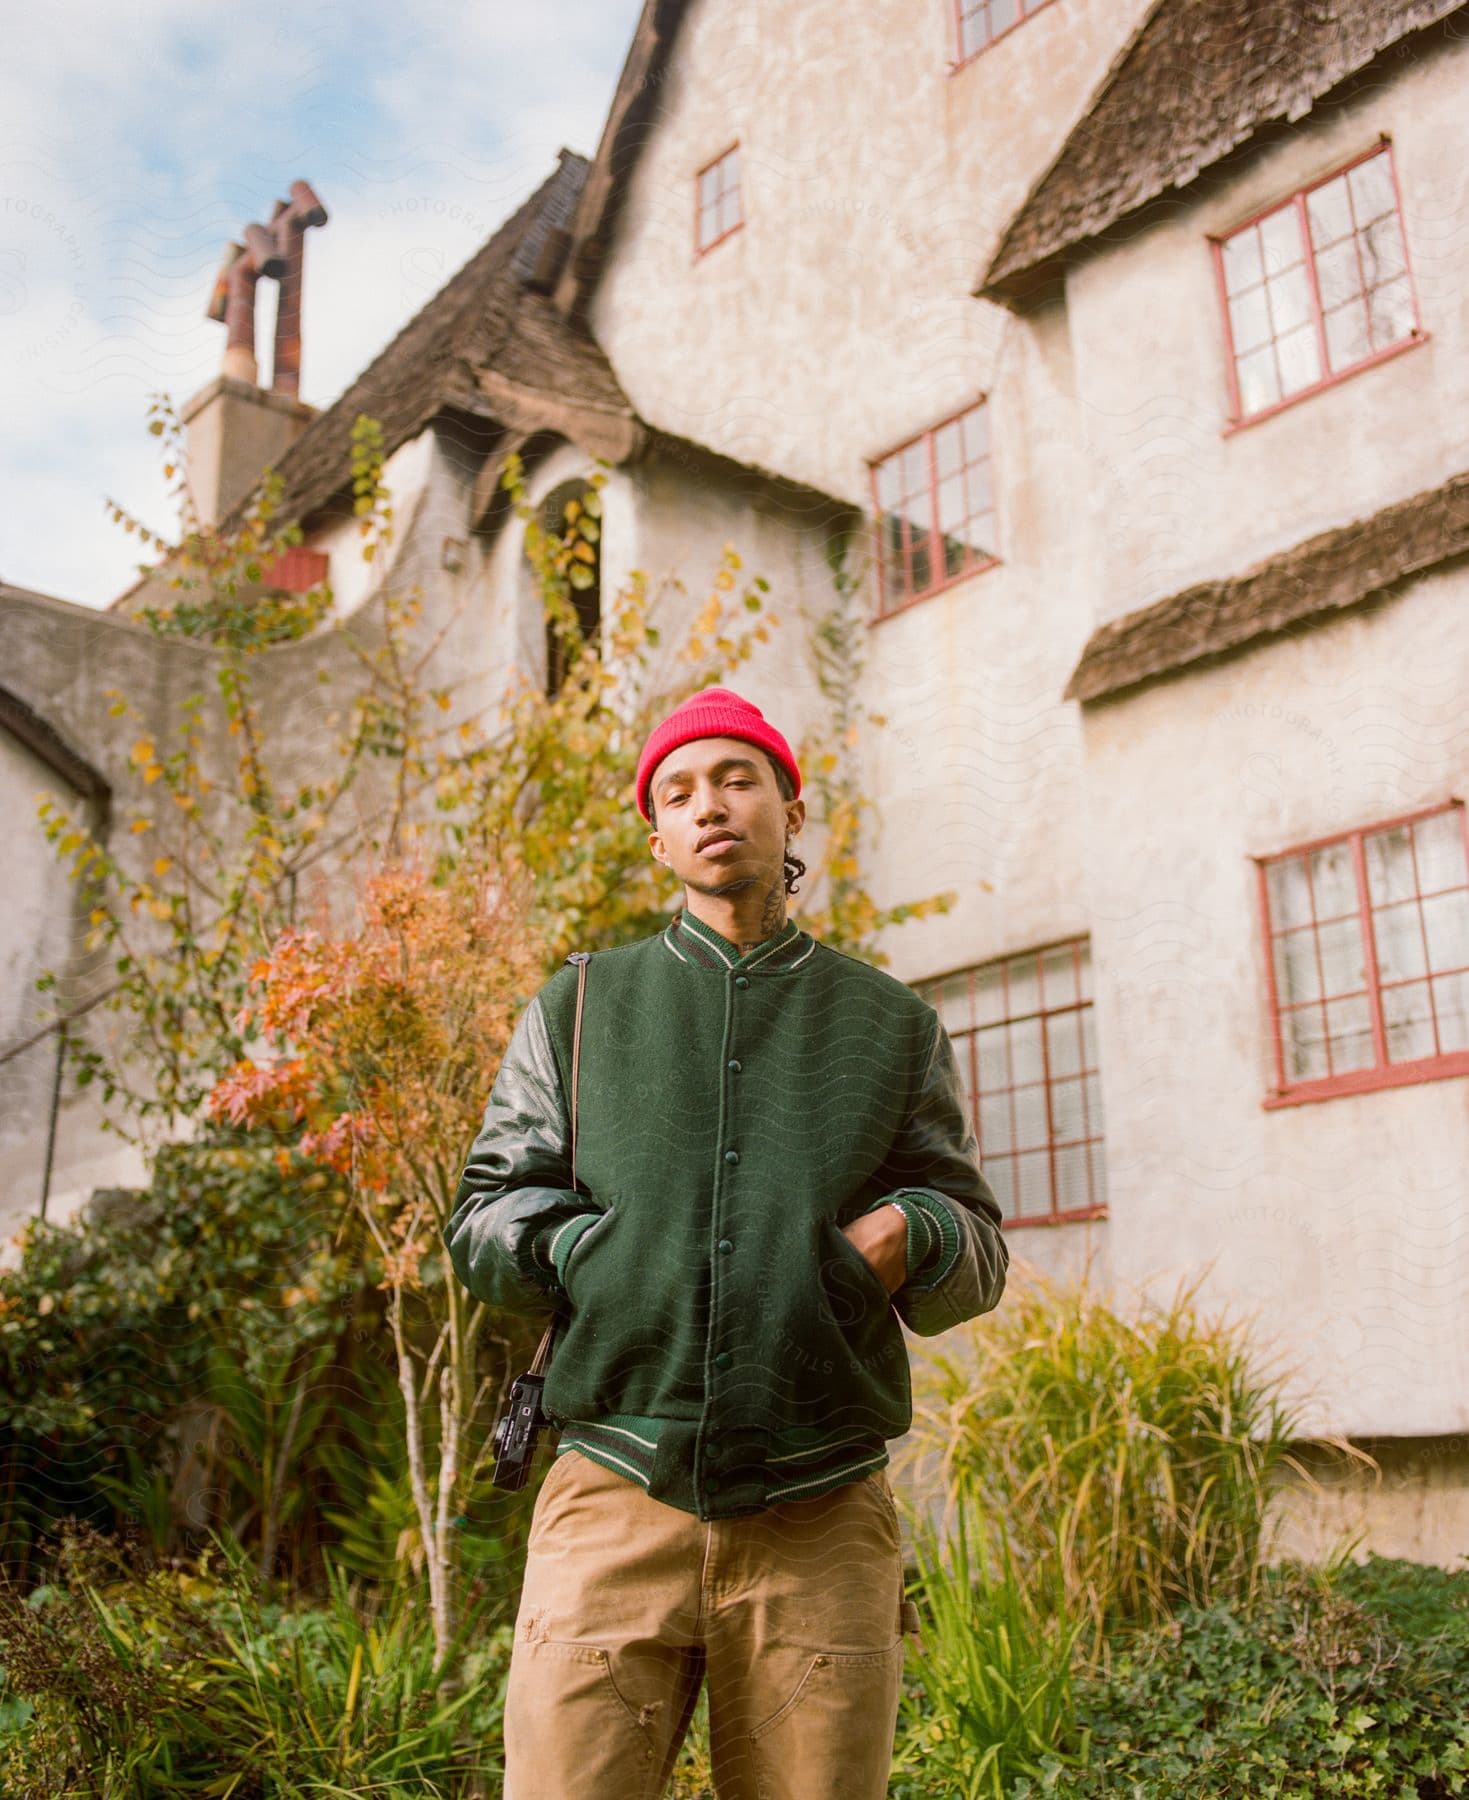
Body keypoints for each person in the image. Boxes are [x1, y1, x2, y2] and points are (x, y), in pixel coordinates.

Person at [443, 685, 1007, 1800]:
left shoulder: (891, 1026)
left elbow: (976, 1249)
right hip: (611, 1488)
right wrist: (579, 1252)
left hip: (821, 1514)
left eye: (738, 778)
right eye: (680, 790)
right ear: (654, 833)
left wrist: (908, 1233)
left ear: (791, 812)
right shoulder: (581, 1006)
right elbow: (481, 1218)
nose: (711, 805)